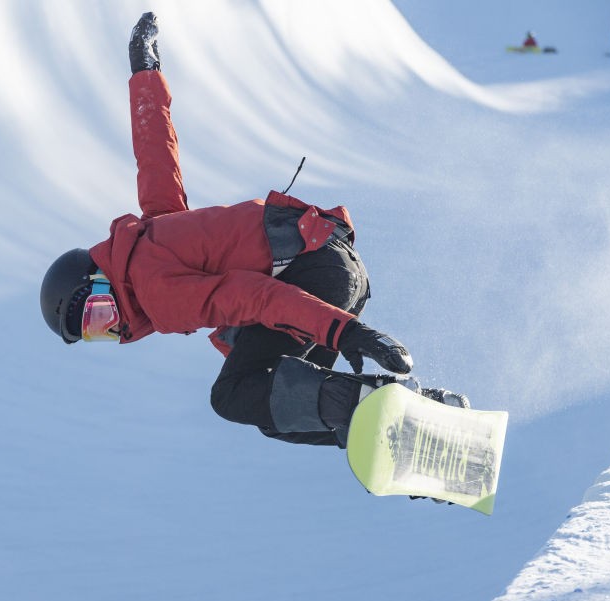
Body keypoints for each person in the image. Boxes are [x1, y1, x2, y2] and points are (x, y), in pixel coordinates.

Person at [40, 13, 467, 449]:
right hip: (331, 265)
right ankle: (417, 427)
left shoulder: (155, 291)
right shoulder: (154, 234)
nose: (111, 328)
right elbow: (155, 155)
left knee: (233, 395)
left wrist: (345, 332)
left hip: (311, 277)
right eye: (97, 331)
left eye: (97, 312)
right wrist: (144, 71)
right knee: (280, 409)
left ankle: (385, 417)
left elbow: (254, 297)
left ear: (100, 277)